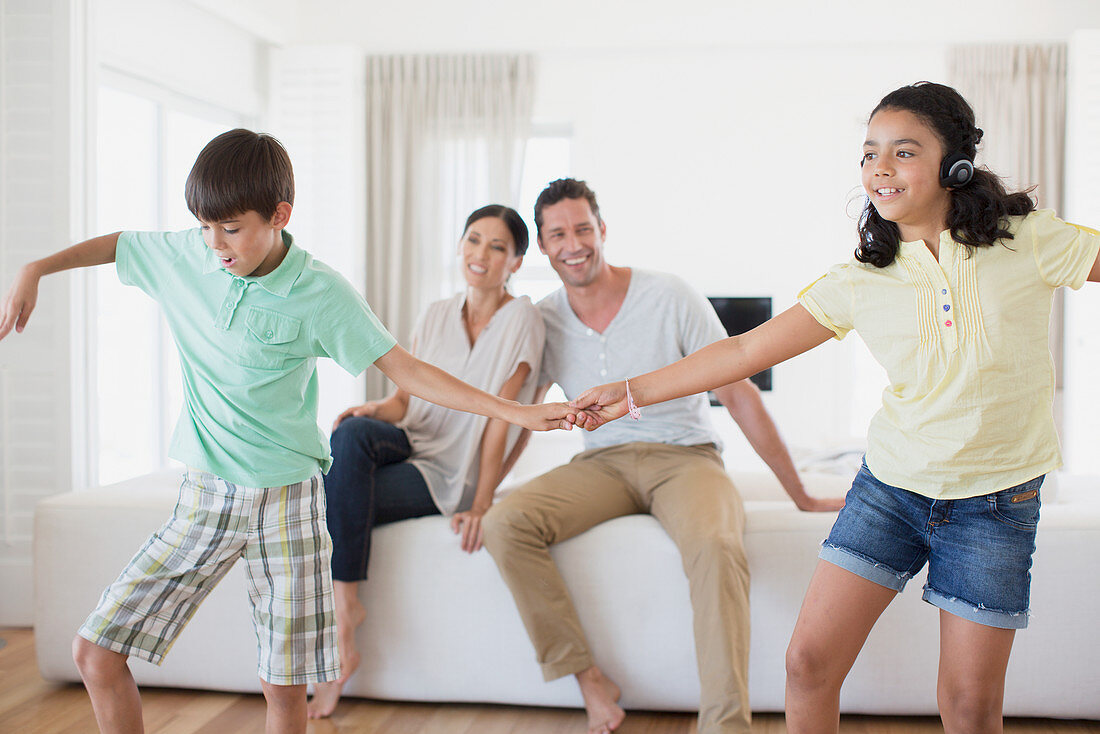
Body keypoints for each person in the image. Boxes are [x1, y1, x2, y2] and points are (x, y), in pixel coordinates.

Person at [0, 129, 578, 734]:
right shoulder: (190, 255)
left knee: (283, 688)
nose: (215, 244)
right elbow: (120, 245)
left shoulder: (321, 293)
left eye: (230, 228)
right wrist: (37, 267)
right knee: (95, 652)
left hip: (291, 503)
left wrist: (516, 413)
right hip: (207, 497)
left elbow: (404, 369)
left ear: (280, 216)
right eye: (204, 226)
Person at [571, 82, 1100, 734]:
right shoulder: (861, 279)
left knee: (968, 706)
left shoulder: (1027, 240)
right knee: (808, 663)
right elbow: (741, 350)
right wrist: (630, 392)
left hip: (995, 504)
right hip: (890, 492)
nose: (879, 167)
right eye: (869, 152)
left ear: (953, 164)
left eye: (903, 151)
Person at [481, 178, 840, 734]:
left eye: (582, 228)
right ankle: (586, 677)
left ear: (602, 230)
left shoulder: (669, 294)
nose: (573, 243)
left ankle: (724, 725)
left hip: (687, 458)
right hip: (602, 464)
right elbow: (524, 416)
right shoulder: (544, 319)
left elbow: (738, 393)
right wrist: (481, 498)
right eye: (558, 234)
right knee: (506, 523)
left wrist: (801, 493)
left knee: (717, 547)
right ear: (544, 249)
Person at [307, 204, 544, 718]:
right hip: (410, 440)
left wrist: (481, 503)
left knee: (334, 494)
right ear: (461, 246)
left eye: (497, 246)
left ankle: (341, 628)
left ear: (517, 262)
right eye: (474, 240)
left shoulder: (524, 319)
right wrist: (374, 409)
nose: (481, 254)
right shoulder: (435, 313)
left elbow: (502, 418)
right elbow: (403, 403)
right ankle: (347, 607)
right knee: (350, 433)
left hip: (448, 472)